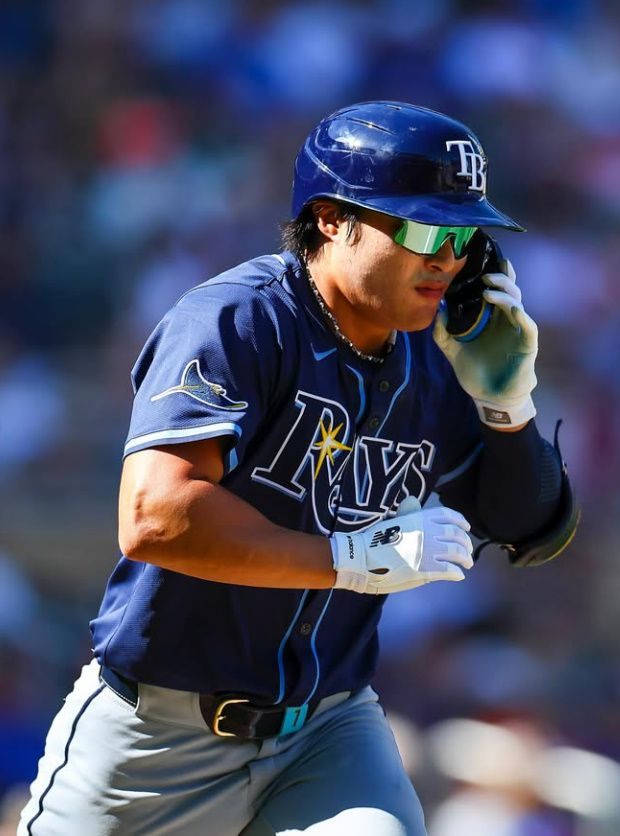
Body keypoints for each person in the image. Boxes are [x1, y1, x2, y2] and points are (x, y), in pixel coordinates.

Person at [18, 101, 578, 836]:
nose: (448, 257)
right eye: (424, 229)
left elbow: (530, 530)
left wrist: (508, 405)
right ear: (331, 219)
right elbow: (153, 517)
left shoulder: (441, 356)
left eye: (465, 235)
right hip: (158, 733)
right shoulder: (239, 319)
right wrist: (346, 558)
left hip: (327, 732)